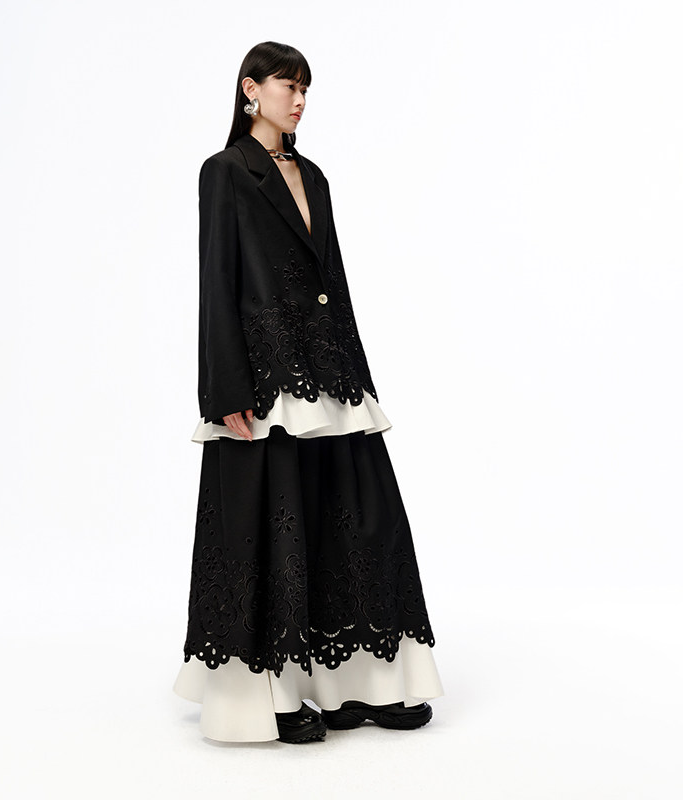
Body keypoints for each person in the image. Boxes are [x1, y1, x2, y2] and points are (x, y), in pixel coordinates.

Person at [172, 41, 444, 743]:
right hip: (266, 380)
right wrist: (222, 388)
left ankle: (357, 687)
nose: (298, 100)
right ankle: (276, 696)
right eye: (287, 86)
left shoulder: (313, 175)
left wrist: (357, 376)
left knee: (359, 521)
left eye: (304, 89)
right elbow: (216, 282)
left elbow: (335, 280)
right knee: (277, 530)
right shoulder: (225, 172)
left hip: (330, 372)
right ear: (250, 90)